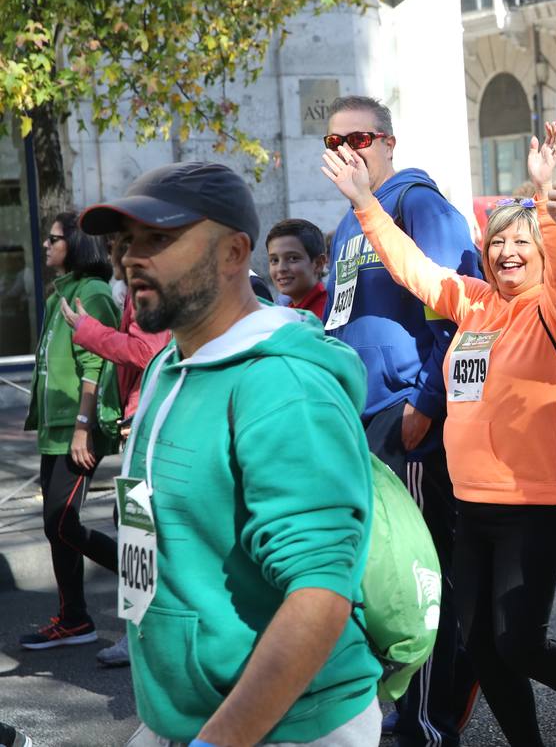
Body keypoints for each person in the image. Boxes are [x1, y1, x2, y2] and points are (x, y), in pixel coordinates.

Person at [322, 122, 556, 747]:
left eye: (519, 244)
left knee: (519, 641)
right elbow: (414, 269)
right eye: (496, 245)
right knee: (481, 646)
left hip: (539, 498)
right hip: (476, 501)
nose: (506, 254)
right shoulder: (473, 303)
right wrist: (364, 204)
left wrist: (545, 197)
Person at [80, 161, 382, 745]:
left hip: (289, 726)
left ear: (233, 253)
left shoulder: (282, 384)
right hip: (184, 716)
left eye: (159, 239)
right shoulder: (173, 364)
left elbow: (320, 594)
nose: (129, 258)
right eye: (125, 242)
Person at [321, 95, 481, 747]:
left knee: (416, 578)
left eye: (354, 137)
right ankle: (401, 712)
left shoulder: (417, 203)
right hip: (356, 424)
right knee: (374, 577)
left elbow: (460, 302)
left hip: (403, 419)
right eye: (332, 144)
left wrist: (425, 400)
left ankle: (425, 725)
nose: (344, 152)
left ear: (386, 140)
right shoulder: (344, 227)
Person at [60, 232, 173, 667]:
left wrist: (89, 331)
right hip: (141, 424)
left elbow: (146, 352)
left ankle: (145, 637)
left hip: (159, 426)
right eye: (117, 247)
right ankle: (140, 634)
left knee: (140, 531)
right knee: (134, 531)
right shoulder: (129, 290)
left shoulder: (154, 290)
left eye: (131, 245)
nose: (123, 255)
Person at [20, 213, 120, 651]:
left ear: (77, 244)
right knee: (55, 525)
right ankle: (74, 618)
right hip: (55, 427)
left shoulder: (94, 293)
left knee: (61, 522)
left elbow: (97, 362)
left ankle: (152, 575)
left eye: (55, 238)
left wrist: (83, 427)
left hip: (79, 429)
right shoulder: (60, 293)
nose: (46, 244)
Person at [266, 218, 329, 317]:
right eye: (274, 260)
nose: (281, 268)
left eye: (293, 258)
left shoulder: (329, 315)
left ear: (318, 263)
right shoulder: (286, 313)